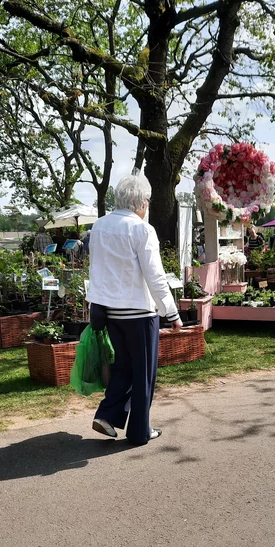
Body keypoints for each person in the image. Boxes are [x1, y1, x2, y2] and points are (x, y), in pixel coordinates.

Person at [87, 174, 182, 446]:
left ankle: (107, 415)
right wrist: (172, 312)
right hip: (140, 313)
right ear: (141, 202)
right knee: (143, 374)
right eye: (148, 201)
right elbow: (155, 276)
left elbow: (97, 268)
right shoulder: (142, 229)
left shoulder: (99, 226)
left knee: (123, 368)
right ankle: (140, 430)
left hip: (109, 311)